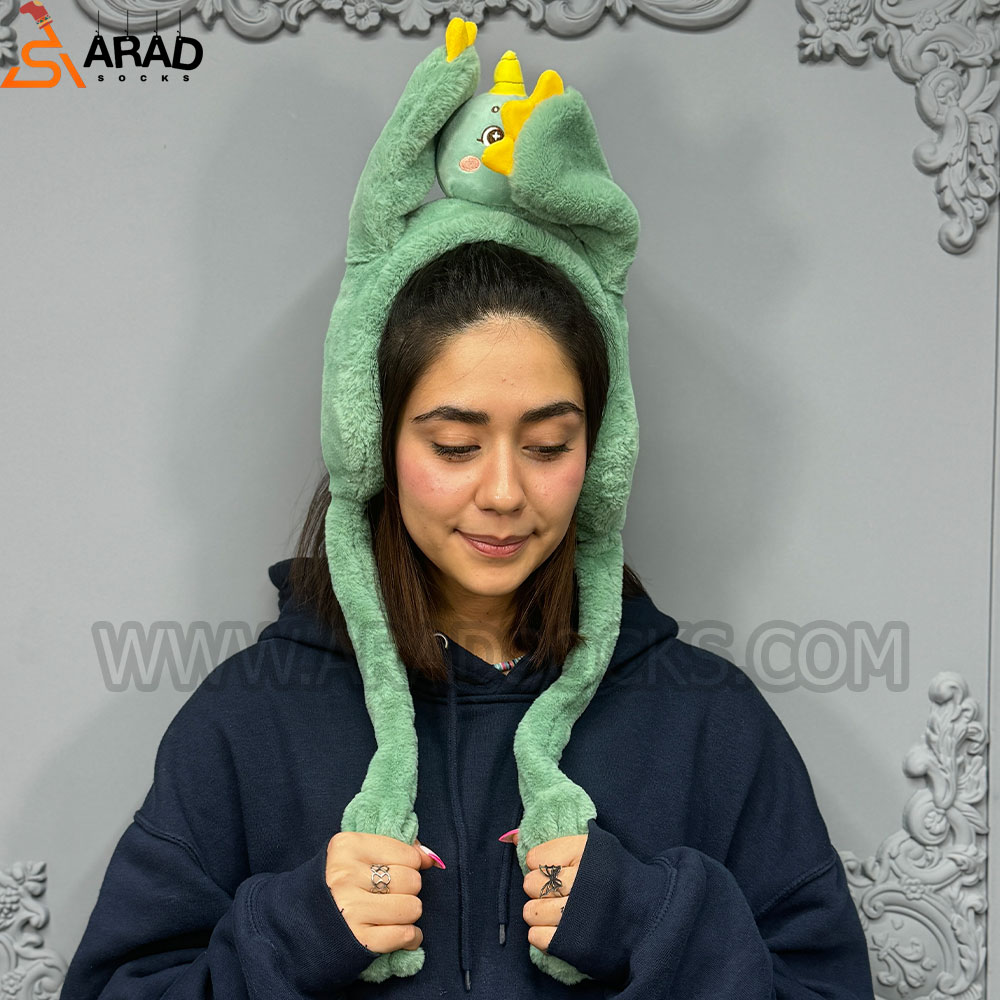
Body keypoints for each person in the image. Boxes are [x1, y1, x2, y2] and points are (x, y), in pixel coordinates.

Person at [61, 17, 876, 1000]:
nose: (502, 491)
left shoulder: (711, 724)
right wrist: (290, 933)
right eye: (453, 445)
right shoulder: (247, 722)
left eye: (548, 444)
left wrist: (652, 921)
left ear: (601, 454)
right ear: (375, 444)